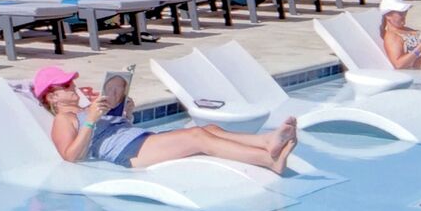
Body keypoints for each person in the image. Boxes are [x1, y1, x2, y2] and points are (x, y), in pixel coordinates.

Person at [26, 65, 296, 173]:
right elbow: (71, 156)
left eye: (71, 83)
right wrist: (91, 120)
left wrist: (124, 113)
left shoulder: (85, 110)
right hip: (129, 153)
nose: (73, 87)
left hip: (137, 141)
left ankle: (265, 140)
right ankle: (268, 160)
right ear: (51, 97)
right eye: (65, 86)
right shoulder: (64, 119)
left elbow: (113, 132)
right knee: (198, 137)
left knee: (209, 128)